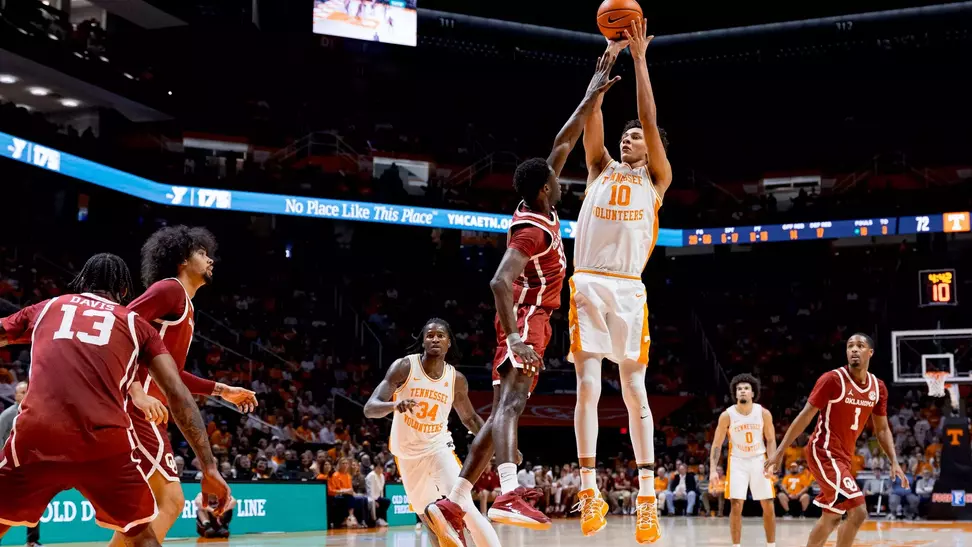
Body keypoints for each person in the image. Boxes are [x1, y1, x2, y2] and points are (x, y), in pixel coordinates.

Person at [426, 48, 623, 545]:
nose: (563, 179)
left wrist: (591, 92)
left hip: (528, 319)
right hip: (528, 319)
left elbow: (563, 140)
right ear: (544, 188)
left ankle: (455, 500)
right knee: (512, 406)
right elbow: (498, 281)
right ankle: (509, 492)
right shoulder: (532, 230)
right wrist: (517, 337)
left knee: (497, 417)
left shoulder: (538, 200)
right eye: (557, 179)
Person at [0, 253, 229, 547]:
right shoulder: (136, 324)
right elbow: (178, 394)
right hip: (103, 443)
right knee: (141, 536)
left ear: (82, 282)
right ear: (123, 291)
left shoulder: (49, 307)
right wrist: (209, 467)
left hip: (37, 435)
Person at [570, 19, 672, 543]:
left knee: (635, 392)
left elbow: (651, 119)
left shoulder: (656, 181)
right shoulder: (598, 168)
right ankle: (590, 491)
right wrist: (604, 61)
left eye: (637, 137)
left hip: (630, 289)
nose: (630, 138)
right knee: (587, 386)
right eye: (626, 134)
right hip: (586, 282)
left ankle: (647, 500)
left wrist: (639, 60)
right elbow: (591, 114)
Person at [112, 226, 257, 547]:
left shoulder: (186, 307)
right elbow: (119, 326)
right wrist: (135, 391)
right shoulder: (170, 291)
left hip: (150, 414)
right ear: (181, 259)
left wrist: (221, 390)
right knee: (171, 501)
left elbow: (172, 373)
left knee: (144, 511)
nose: (210, 259)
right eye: (202, 253)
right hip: (135, 409)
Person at [364, 319, 501, 547]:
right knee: (430, 521)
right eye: (430, 335)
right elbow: (370, 408)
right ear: (423, 342)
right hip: (407, 455)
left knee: (466, 508)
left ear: (449, 343)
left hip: (439, 449)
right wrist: (393, 406)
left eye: (440, 335)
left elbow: (470, 418)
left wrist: (503, 446)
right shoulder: (404, 367)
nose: (435, 339)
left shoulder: (455, 379)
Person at [767, 333, 906, 547]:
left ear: (870, 353)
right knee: (858, 511)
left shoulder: (878, 388)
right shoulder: (832, 379)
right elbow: (804, 416)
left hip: (843, 458)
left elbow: (883, 429)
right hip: (823, 451)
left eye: (860, 346)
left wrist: (894, 461)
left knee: (832, 516)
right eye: (850, 346)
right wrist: (779, 451)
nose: (854, 350)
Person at [709, 374, 777, 547]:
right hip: (737, 462)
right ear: (735, 394)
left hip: (759, 460)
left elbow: (770, 439)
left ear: (753, 393)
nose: (743, 391)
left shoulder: (763, 413)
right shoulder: (727, 415)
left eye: (746, 388)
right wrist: (712, 470)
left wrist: (772, 462)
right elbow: (717, 445)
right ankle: (736, 545)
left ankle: (771, 545)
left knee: (768, 504)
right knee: (736, 504)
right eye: (739, 389)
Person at [0, 381, 40, 546]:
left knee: (36, 504)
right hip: (9, 470)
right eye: (22, 392)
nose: (25, 395)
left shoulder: (33, 413)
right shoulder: (7, 416)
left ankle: (32, 541)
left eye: (27, 391)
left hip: (29, 469)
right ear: (15, 395)